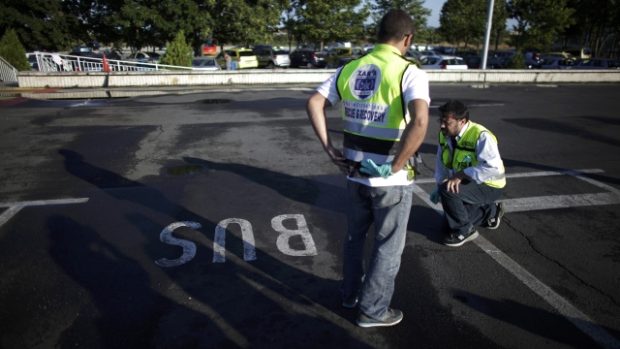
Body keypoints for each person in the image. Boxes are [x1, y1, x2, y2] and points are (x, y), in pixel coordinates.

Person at [306, 9, 430, 328]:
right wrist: (398, 165)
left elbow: (314, 102)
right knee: (387, 247)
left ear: (377, 35)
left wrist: (328, 148)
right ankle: (373, 311)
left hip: (354, 172)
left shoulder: (351, 67)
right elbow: (420, 121)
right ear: (408, 39)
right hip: (391, 178)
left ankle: (350, 295)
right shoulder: (408, 72)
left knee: (354, 238)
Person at [430, 100, 506, 247]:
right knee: (447, 224)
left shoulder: (481, 135)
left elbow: (493, 168)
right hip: (470, 181)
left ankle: (465, 230)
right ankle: (490, 212)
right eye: (441, 120)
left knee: (450, 198)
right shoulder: (445, 135)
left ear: (462, 121)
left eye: (447, 122)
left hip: (490, 184)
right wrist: (439, 185)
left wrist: (460, 175)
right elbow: (441, 162)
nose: (442, 125)